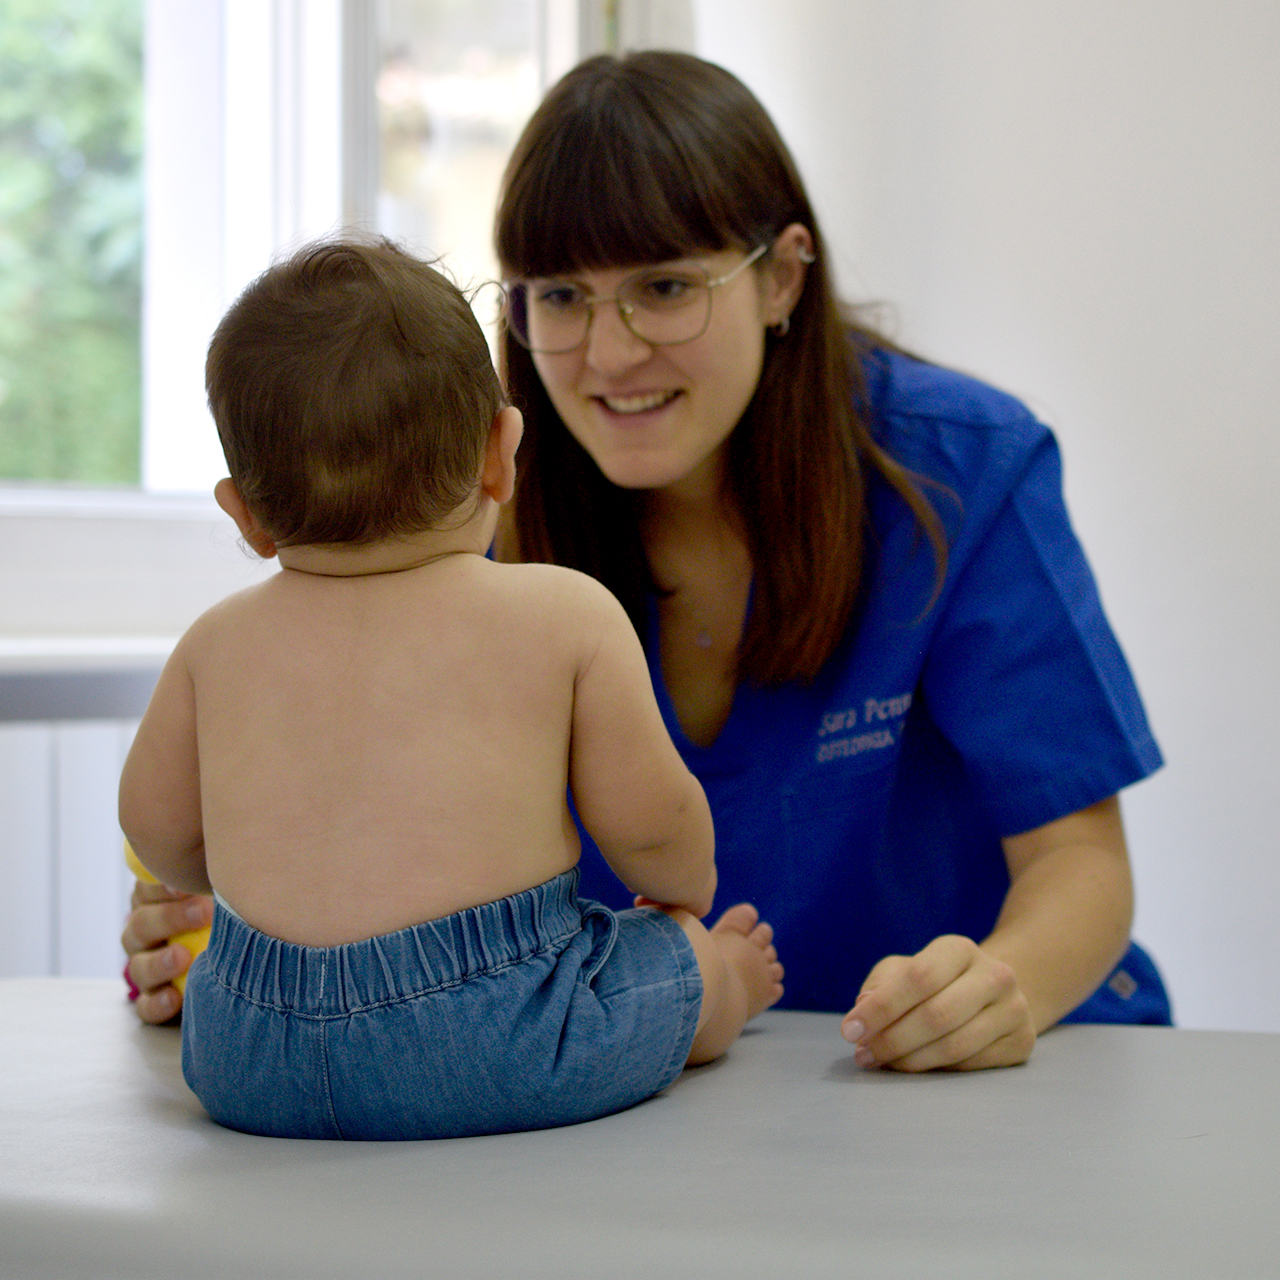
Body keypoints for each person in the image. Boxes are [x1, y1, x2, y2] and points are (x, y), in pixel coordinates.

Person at [123, 50, 1171, 1073]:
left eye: (664, 286)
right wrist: (221, 935)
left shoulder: (957, 472)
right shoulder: (446, 515)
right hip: (656, 1109)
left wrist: (1003, 988)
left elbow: (1078, 861)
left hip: (976, 1089)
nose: (608, 352)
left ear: (781, 278)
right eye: (560, 297)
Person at [118, 239, 783, 1139]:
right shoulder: (564, 614)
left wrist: (248, 897)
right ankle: (730, 986)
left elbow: (156, 830)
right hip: (502, 1033)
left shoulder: (214, 642)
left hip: (247, 1049)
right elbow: (652, 828)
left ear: (246, 515)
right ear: (499, 455)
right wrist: (686, 904)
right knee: (681, 963)